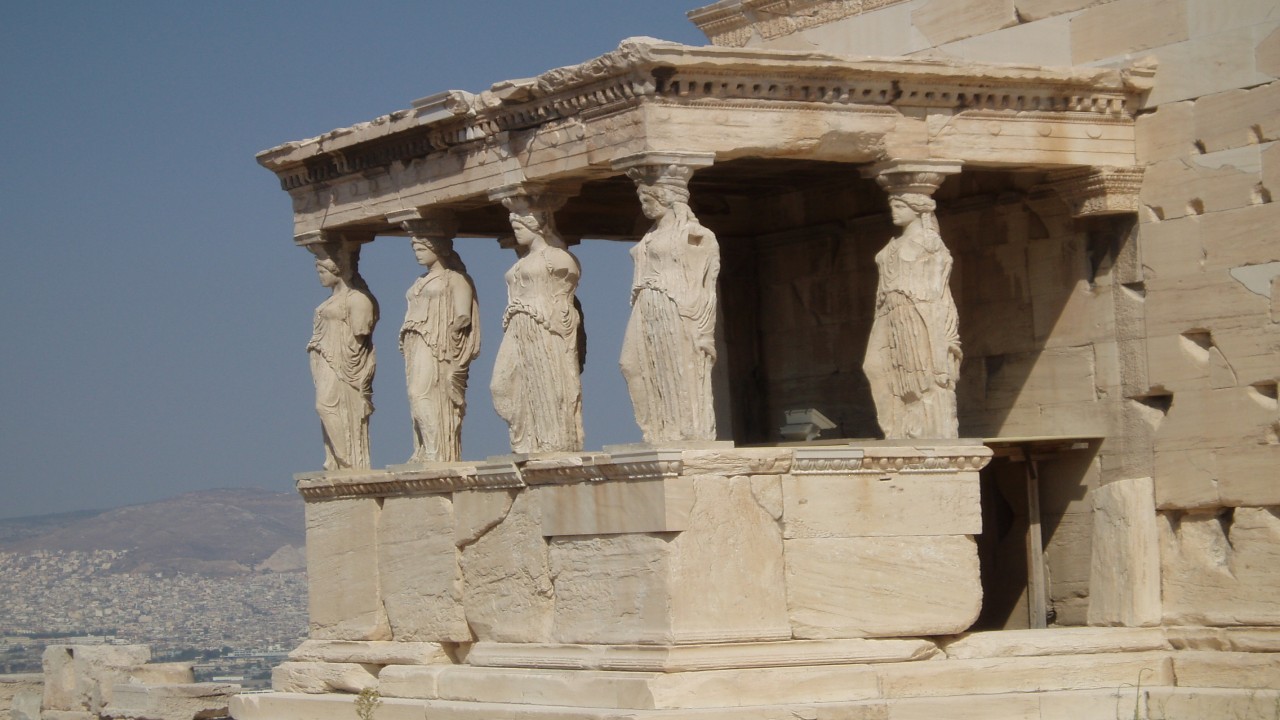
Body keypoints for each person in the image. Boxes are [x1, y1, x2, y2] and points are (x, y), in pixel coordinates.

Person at [620, 178, 720, 443]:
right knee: (631, 365)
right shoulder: (649, 235)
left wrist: (705, 329)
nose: (645, 206)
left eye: (648, 200)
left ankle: (686, 431)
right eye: (642, 200)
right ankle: (656, 428)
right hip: (645, 303)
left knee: (680, 368)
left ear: (665, 198)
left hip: (676, 304)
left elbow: (706, 283)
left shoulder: (695, 235)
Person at [863, 192, 961, 439]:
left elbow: (939, 287)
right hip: (888, 311)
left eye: (899, 206)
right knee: (874, 366)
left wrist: (943, 331)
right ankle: (894, 429)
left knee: (920, 374)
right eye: (893, 206)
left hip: (917, 311)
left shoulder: (930, 242)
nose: (894, 211)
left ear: (917, 209)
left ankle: (922, 431)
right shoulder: (893, 244)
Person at [490, 208, 584, 453]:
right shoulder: (521, 262)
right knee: (500, 386)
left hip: (543, 324)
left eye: (519, 227)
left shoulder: (557, 257)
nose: (516, 233)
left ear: (536, 226)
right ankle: (526, 440)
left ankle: (552, 442)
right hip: (516, 324)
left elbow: (567, 290)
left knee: (548, 381)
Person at [400, 235, 480, 463]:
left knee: (422, 393)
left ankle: (438, 452)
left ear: (438, 247)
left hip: (438, 344)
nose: (417, 252)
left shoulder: (455, 279)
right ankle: (424, 448)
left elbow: (463, 315)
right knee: (415, 396)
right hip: (415, 342)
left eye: (421, 247)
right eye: (414, 248)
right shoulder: (419, 280)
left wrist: (451, 336)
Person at [307, 254, 378, 470]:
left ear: (336, 270)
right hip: (325, 358)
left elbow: (361, 330)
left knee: (325, 406)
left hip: (344, 361)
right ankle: (336, 460)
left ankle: (348, 458)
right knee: (326, 406)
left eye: (322, 272)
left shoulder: (357, 299)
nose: (319, 277)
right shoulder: (330, 301)